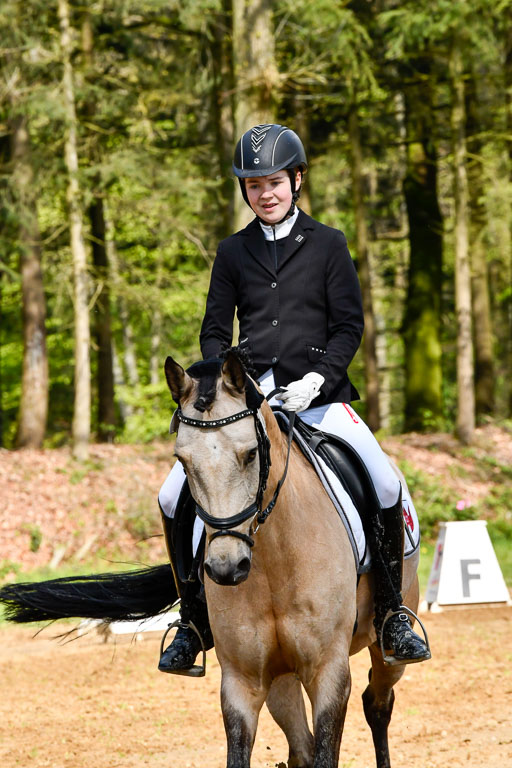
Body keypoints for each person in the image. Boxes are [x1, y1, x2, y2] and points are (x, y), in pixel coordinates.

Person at [158, 123, 430, 674]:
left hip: (321, 398)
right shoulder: (233, 251)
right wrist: (229, 381)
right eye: (254, 185)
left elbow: (349, 326)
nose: (265, 193)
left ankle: (391, 612)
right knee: (171, 495)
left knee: (383, 479)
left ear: (297, 180)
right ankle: (191, 622)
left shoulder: (329, 243)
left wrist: (318, 377)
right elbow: (214, 331)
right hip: (250, 402)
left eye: (274, 182)